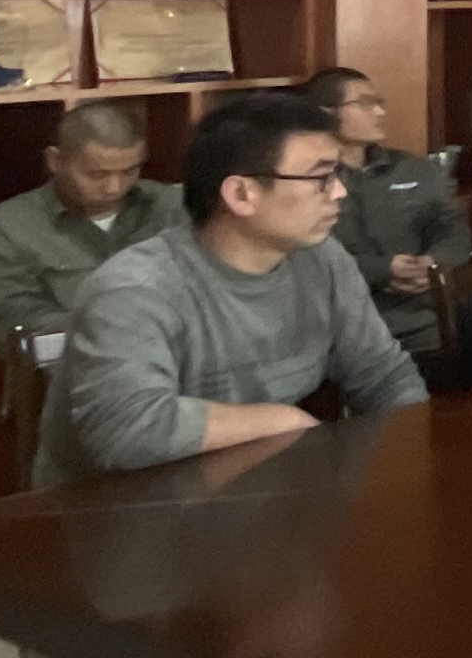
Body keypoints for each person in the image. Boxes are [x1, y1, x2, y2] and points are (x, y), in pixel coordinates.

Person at [40, 91, 425, 482]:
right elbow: (127, 429)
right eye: (321, 177)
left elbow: (383, 376)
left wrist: (413, 461)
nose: (340, 191)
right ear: (241, 194)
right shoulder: (136, 289)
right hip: (116, 503)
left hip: (255, 488)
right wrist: (281, 420)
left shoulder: (323, 260)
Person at [0, 100, 182, 341]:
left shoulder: (177, 208)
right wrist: (113, 325)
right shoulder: (4, 232)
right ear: (55, 161)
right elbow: (6, 320)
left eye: (130, 171)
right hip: (74, 359)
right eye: (97, 174)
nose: (114, 188)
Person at [299, 66, 470, 367]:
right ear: (325, 113)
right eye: (365, 103)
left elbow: (451, 228)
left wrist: (433, 263)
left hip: (425, 319)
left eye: (379, 102)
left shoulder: (411, 168)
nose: (379, 112)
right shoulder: (301, 179)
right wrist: (382, 270)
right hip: (341, 326)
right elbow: (301, 257)